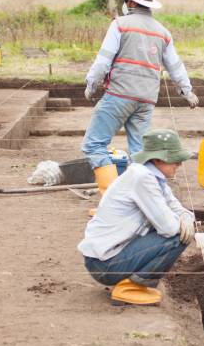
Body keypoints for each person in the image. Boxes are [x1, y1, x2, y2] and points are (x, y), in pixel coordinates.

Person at [82, 0, 198, 192]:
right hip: (146, 101)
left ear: (130, 3)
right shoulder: (163, 32)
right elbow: (175, 65)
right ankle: (142, 199)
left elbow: (103, 61)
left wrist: (91, 84)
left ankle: (110, 200)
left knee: (95, 145)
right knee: (139, 152)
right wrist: (187, 91)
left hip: (119, 95)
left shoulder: (119, 25)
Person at [78, 129, 195, 306]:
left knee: (179, 227)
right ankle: (131, 288)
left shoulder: (153, 177)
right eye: (175, 160)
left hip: (107, 259)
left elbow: (175, 205)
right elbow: (169, 228)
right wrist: (183, 223)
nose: (178, 164)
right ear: (157, 159)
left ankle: (129, 282)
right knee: (178, 236)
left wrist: (185, 216)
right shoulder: (142, 178)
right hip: (105, 266)